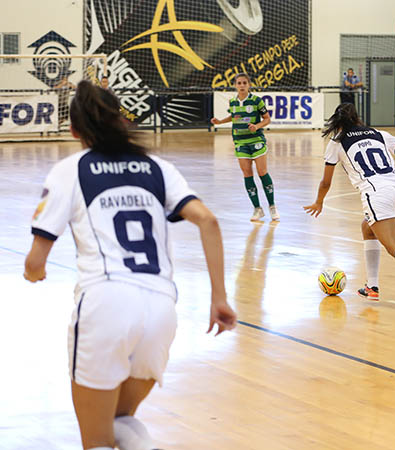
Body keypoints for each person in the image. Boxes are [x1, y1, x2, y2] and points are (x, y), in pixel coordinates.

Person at [23, 80, 237, 450]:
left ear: (74, 130)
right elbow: (209, 221)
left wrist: (34, 273)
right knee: (122, 421)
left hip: (105, 303)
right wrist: (219, 297)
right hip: (161, 310)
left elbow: (35, 260)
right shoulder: (157, 167)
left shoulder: (71, 170)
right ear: (122, 121)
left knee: (97, 439)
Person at [303, 103, 395, 321]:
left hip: (377, 194)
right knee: (367, 227)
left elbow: (325, 181)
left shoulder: (337, 142)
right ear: (357, 118)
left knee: (393, 244)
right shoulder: (379, 134)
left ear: (337, 121)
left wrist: (319, 202)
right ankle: (372, 286)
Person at [211, 73, 279, 222]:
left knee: (262, 172)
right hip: (240, 142)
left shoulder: (256, 101)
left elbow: (267, 119)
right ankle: (257, 209)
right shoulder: (233, 102)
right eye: (239, 83)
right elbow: (234, 117)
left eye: (244, 83)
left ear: (249, 85)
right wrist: (220, 122)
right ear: (235, 85)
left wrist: (257, 126)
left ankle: (272, 206)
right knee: (247, 174)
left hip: (256, 140)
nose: (242, 85)